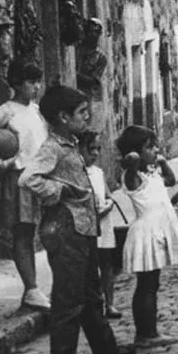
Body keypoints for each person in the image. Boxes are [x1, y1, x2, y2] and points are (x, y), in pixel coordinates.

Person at [20, 85, 136, 354]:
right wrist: (59, 190)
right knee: (69, 297)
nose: (87, 118)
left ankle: (105, 348)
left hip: (81, 227)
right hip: (64, 227)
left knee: (90, 293)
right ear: (62, 116)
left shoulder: (69, 144)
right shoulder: (52, 148)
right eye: (82, 113)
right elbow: (28, 179)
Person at [0, 60, 50, 311]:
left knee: (50, 231)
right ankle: (31, 289)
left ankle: (51, 286)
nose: (36, 87)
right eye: (31, 82)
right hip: (20, 177)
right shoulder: (5, 111)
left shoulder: (38, 111)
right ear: (17, 84)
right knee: (24, 233)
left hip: (43, 177)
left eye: (38, 81)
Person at [117, 124, 178, 347]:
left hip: (157, 230)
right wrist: (133, 161)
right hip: (147, 233)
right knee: (146, 285)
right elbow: (130, 170)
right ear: (137, 153)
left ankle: (149, 331)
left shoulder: (152, 172)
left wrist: (162, 161)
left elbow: (171, 180)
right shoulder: (134, 177)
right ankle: (146, 334)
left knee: (152, 283)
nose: (155, 149)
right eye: (150, 147)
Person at [79, 130, 125, 319]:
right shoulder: (78, 173)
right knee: (90, 267)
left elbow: (108, 195)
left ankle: (110, 303)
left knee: (107, 266)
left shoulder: (98, 172)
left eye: (98, 149)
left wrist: (109, 204)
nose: (96, 154)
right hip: (88, 225)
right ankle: (93, 304)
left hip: (104, 223)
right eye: (91, 150)